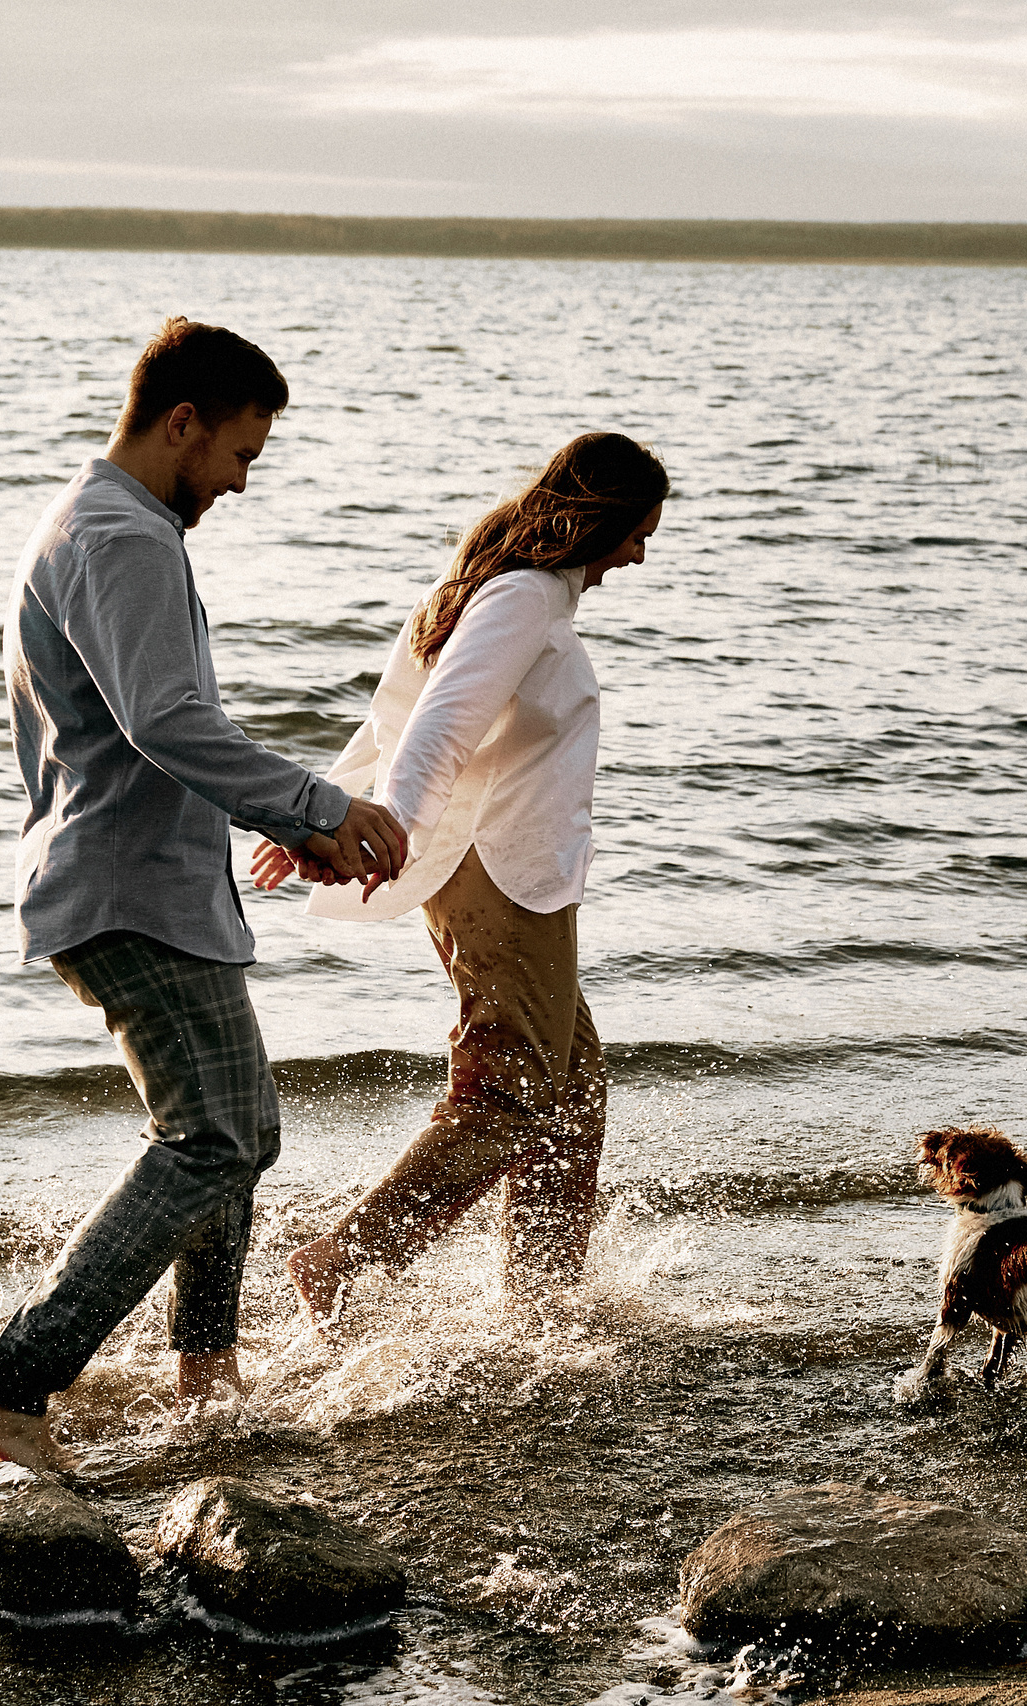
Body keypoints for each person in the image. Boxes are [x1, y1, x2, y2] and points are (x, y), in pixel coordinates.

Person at [0, 317, 409, 1471]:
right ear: (184, 421)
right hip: (124, 890)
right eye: (242, 452)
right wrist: (314, 806)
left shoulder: (103, 523)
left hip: (143, 882)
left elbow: (144, 730)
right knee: (210, 1135)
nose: (243, 481)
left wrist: (278, 827)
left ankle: (206, 1375)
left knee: (237, 1132)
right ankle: (12, 1384)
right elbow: (165, 721)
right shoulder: (122, 534)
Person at [257, 432, 667, 1328]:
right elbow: (438, 722)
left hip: (514, 871)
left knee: (573, 1086)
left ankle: (542, 1297)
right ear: (596, 521)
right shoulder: (519, 596)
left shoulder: (509, 590)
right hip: (495, 869)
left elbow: (391, 716)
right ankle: (346, 1259)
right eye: (637, 532)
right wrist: (377, 825)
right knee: (511, 1093)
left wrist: (324, 817)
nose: (639, 554)